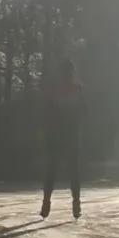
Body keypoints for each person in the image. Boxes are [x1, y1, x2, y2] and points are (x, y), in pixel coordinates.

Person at [41, 58, 85, 219]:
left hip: (62, 135)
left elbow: (46, 112)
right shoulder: (73, 89)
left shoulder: (60, 90)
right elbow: (83, 111)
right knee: (69, 171)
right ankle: (73, 203)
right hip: (65, 135)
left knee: (56, 171)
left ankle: (50, 201)